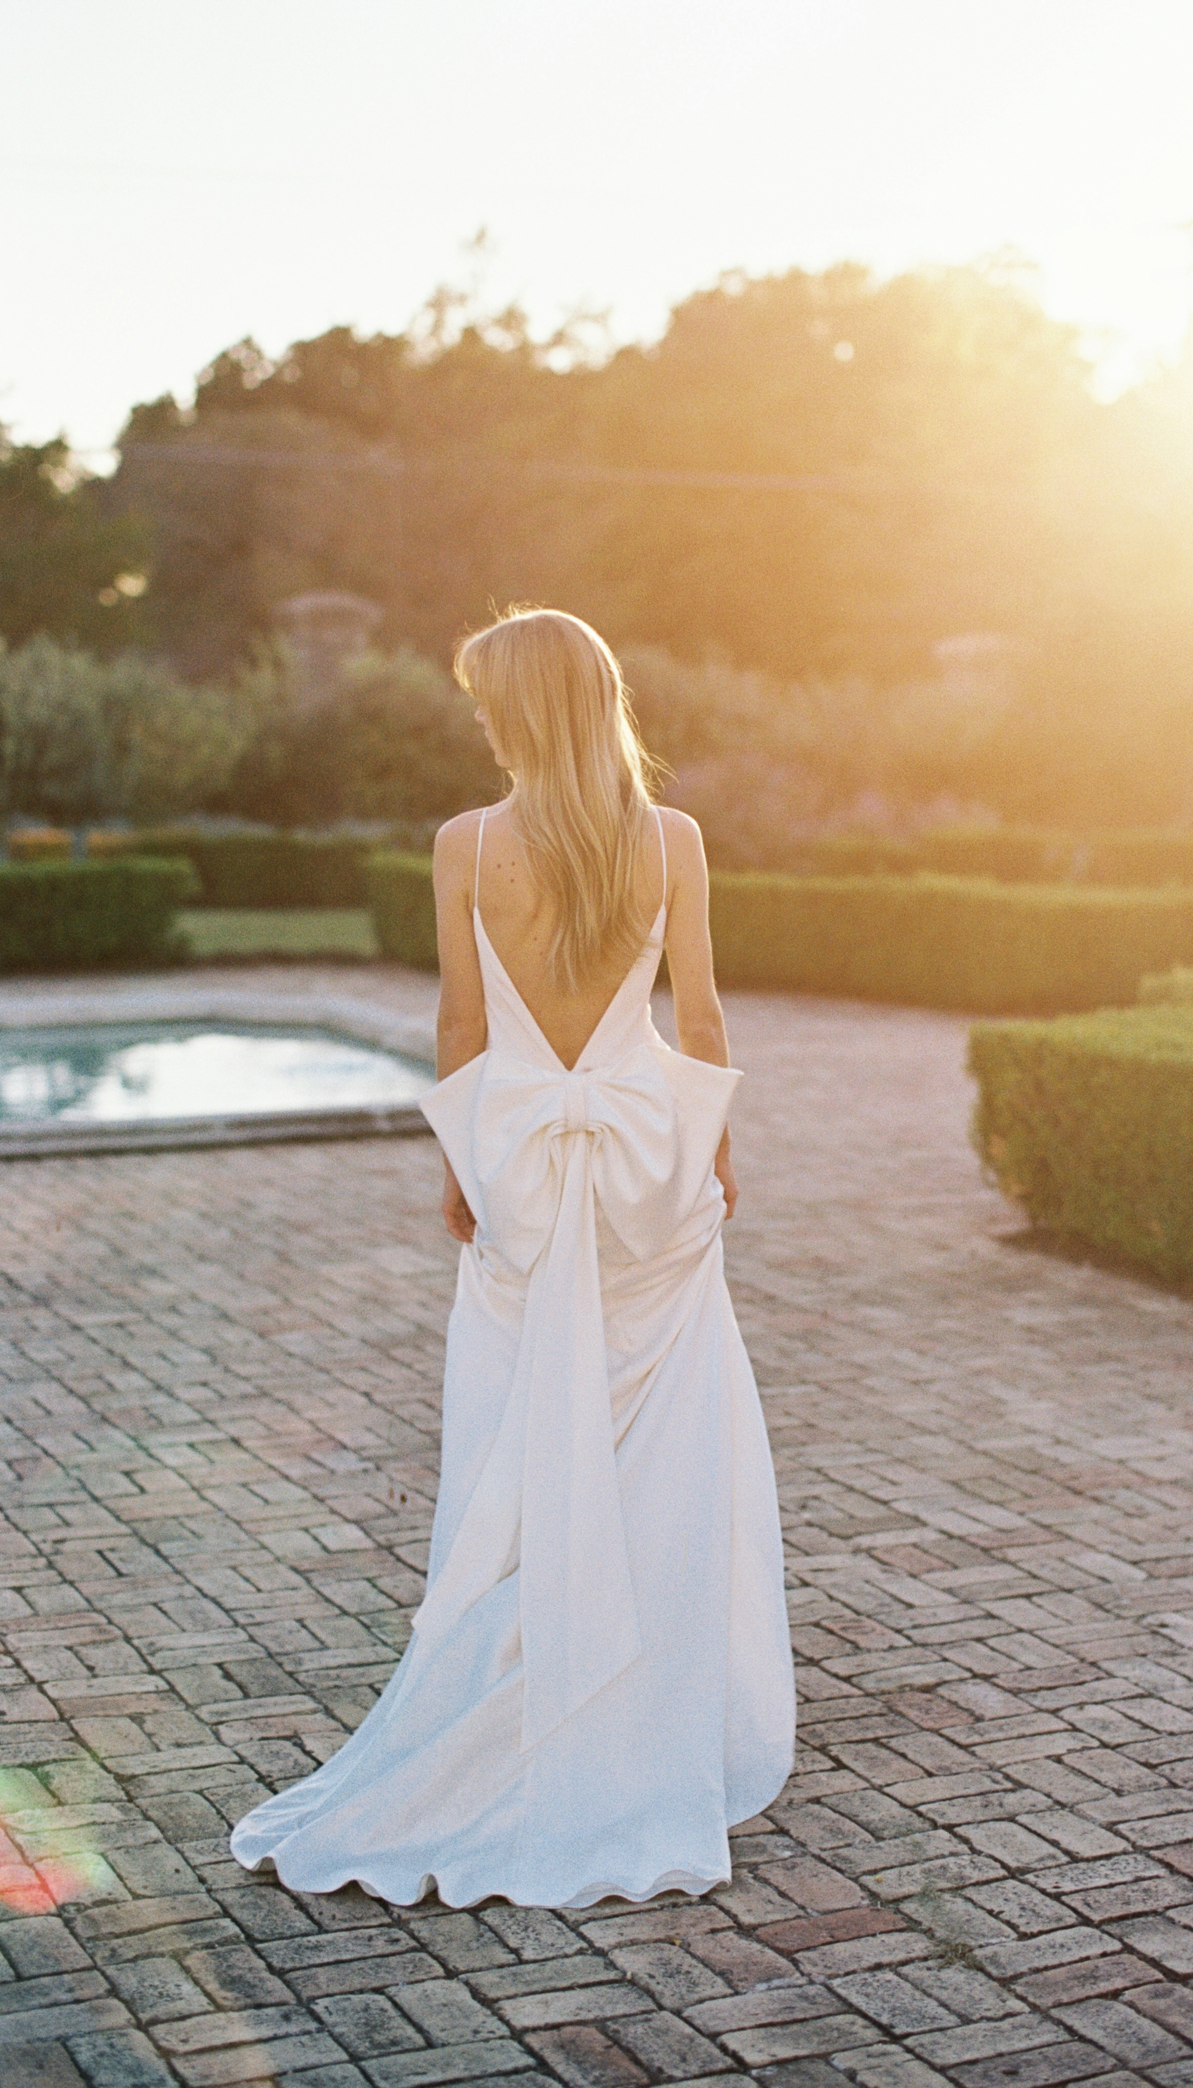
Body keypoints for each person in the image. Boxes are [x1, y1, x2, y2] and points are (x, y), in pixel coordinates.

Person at [230, 606, 794, 1909]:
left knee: (516, 1443)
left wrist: (459, 1167)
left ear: (524, 712)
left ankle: (521, 1695)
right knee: (661, 1453)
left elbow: (462, 1021)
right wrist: (713, 1155)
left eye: (488, 701)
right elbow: (698, 1013)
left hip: (528, 1177)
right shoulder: (675, 841)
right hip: (648, 1171)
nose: (477, 719)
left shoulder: (467, 844)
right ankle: (647, 1719)